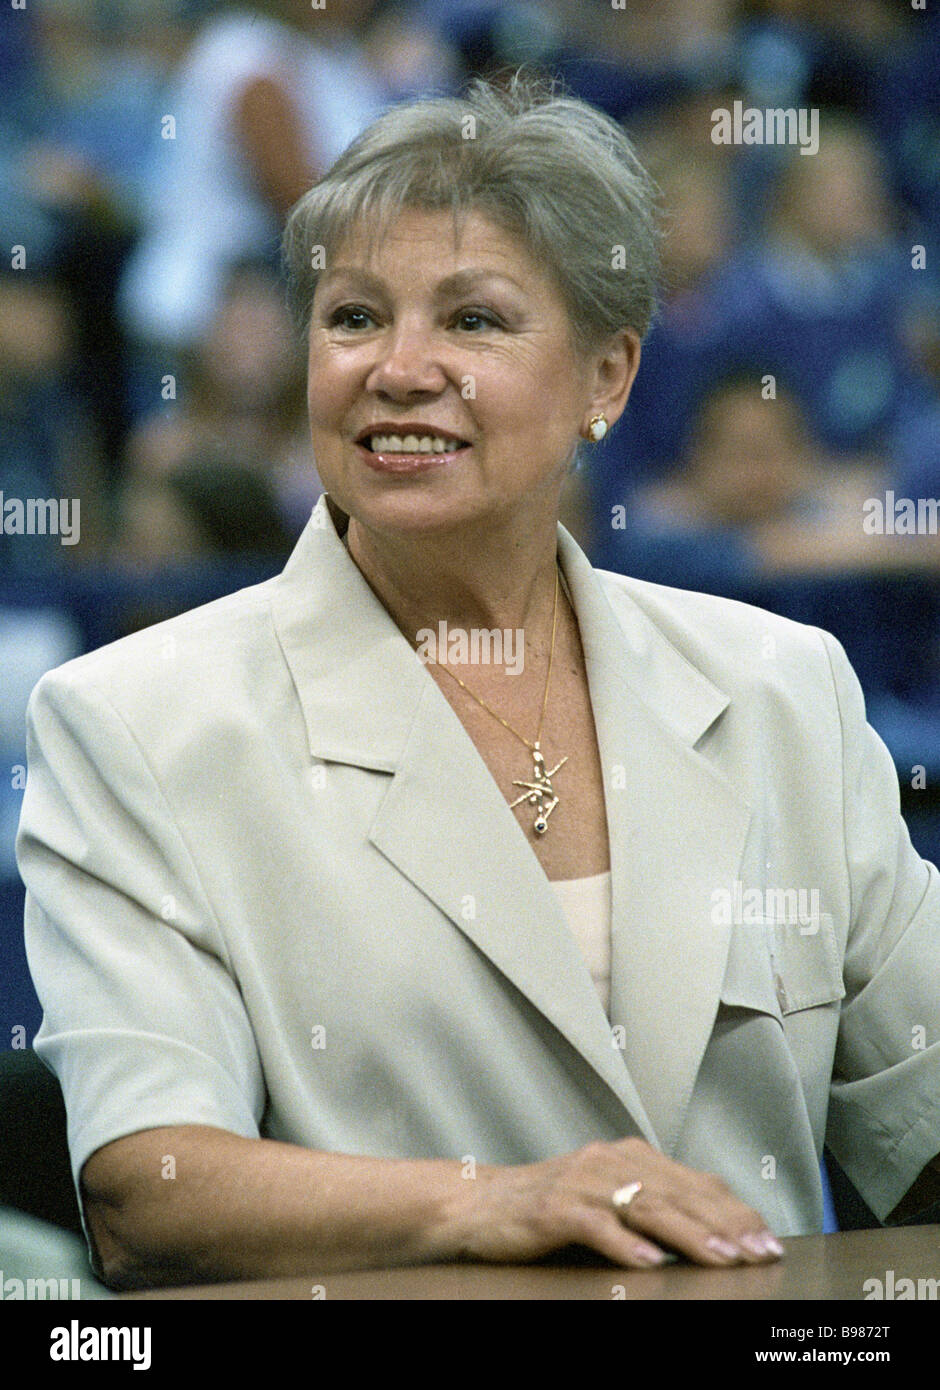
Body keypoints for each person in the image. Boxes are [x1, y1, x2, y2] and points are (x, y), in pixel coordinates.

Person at [16, 76, 940, 1292]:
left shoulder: (782, 687)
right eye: (352, 317)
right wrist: (502, 1200)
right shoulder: (131, 720)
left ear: (607, 380)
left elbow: (919, 1123)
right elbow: (152, 1184)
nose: (398, 370)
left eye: (474, 322)